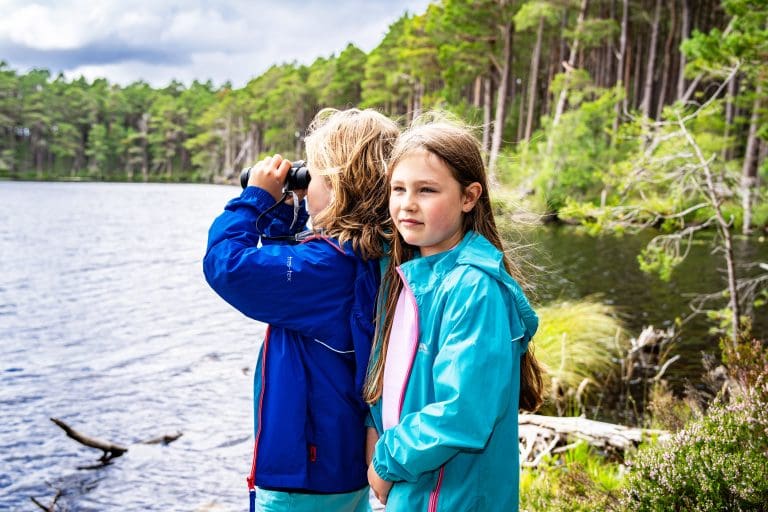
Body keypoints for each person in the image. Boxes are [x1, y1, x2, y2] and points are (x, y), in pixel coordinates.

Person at [203, 108, 399, 512]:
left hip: (301, 480)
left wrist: (254, 200)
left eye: (314, 176)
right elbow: (291, 284)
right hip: (340, 467)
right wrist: (282, 221)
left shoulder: (324, 269)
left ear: (341, 184)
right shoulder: (367, 255)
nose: (305, 188)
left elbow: (227, 266)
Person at [363, 117, 544, 511]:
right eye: (398, 189)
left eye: (426, 190)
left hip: (455, 500)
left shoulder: (475, 289)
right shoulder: (408, 277)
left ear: (468, 197)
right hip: (416, 493)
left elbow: (462, 414)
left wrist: (386, 459)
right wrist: (374, 430)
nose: (407, 203)